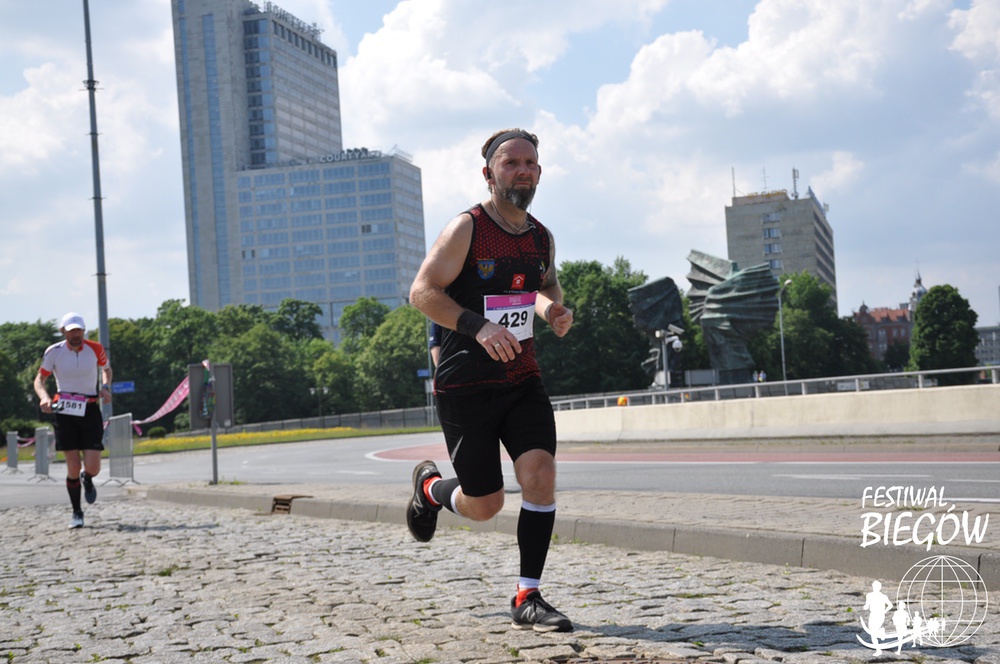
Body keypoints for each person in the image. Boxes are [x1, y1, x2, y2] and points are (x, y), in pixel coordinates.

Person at [407, 128, 575, 632]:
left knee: (540, 474)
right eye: (511, 163)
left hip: (522, 379)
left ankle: (528, 595)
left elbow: (544, 286)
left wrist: (552, 311)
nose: (522, 170)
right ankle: (431, 490)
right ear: (489, 173)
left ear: (539, 173)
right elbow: (422, 291)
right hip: (466, 386)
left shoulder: (541, 237)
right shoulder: (468, 228)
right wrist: (477, 326)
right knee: (485, 505)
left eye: (530, 163)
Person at [33, 312, 112, 529]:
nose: (76, 335)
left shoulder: (95, 348)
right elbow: (39, 380)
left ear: (84, 331)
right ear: (63, 331)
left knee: (93, 466)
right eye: (71, 331)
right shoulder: (54, 352)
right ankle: (77, 512)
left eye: (79, 330)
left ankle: (88, 478)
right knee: (73, 466)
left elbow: (106, 369)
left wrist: (105, 387)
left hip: (89, 408)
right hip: (65, 410)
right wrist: (44, 397)